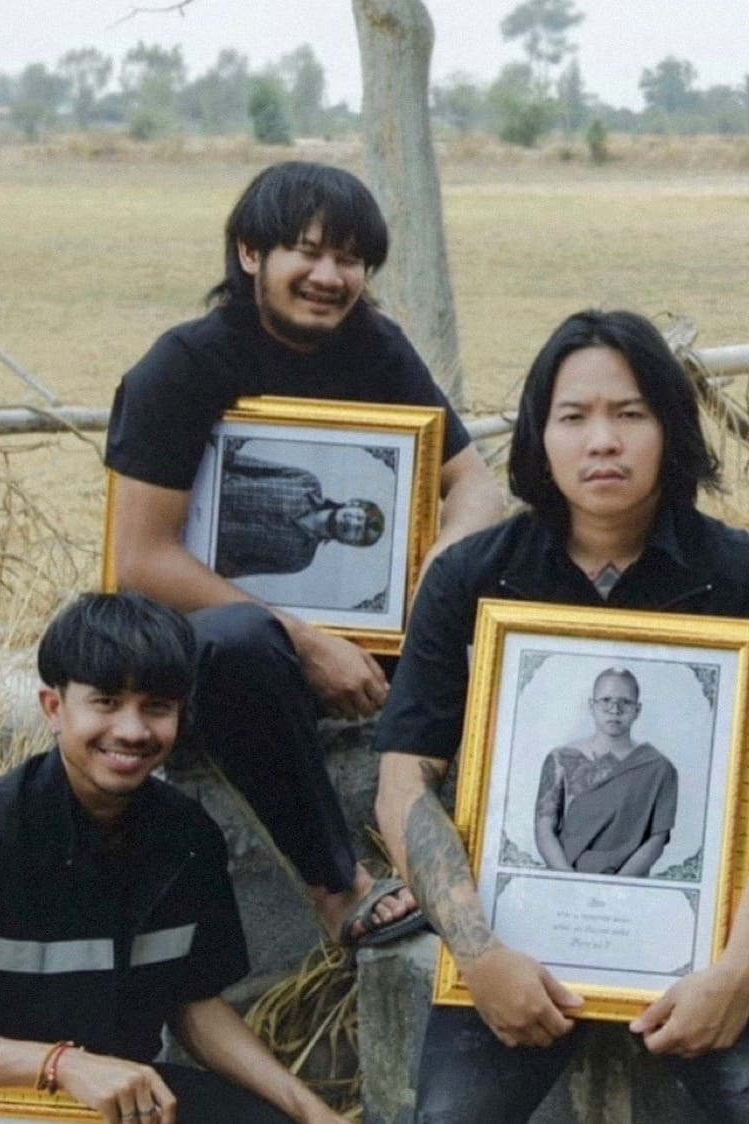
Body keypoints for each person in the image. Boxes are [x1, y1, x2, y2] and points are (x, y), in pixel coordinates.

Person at [373, 310, 749, 1123]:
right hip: (511, 939)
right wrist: (479, 953)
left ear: (671, 428)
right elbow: (402, 782)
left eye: (630, 413)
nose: (602, 440)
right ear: (539, 437)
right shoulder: (471, 581)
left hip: (702, 939)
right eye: (574, 417)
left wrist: (737, 974)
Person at [104, 161, 511, 948]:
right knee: (240, 643)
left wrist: (442, 567)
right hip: (202, 640)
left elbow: (478, 490)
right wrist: (309, 640)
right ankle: (340, 887)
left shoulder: (376, 351)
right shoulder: (184, 367)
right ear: (251, 253)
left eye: (351, 259)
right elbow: (142, 559)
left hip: (352, 639)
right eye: (308, 252)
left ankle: (486, 865)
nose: (331, 276)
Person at [0, 593, 349, 1124]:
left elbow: (192, 1002)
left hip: (116, 1103)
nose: (132, 731)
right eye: (107, 703)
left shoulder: (188, 836)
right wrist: (62, 1066)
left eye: (156, 707)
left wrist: (309, 1110)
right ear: (54, 709)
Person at [532, 667, 679, 877]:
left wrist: (616, 885)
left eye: (625, 702)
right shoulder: (560, 759)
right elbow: (544, 829)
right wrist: (566, 878)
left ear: (637, 710)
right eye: (606, 700)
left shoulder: (659, 768)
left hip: (627, 887)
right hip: (564, 879)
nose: (615, 709)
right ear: (591, 706)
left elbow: (657, 838)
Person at [213, 450, 386, 579]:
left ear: (350, 542)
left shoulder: (299, 560)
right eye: (359, 517)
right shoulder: (307, 482)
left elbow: (237, 568)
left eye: (358, 531)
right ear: (353, 503)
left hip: (204, 538)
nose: (354, 524)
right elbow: (245, 463)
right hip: (208, 486)